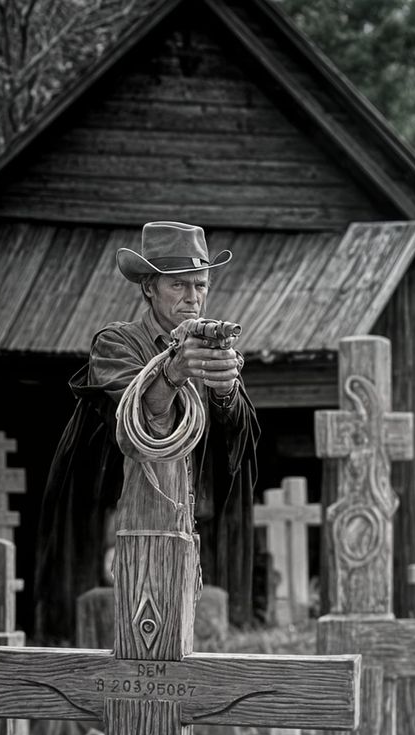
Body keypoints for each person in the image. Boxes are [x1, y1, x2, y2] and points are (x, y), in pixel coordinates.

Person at [35, 220, 260, 644]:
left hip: (192, 526)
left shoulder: (212, 349)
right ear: (148, 288)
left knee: (193, 650)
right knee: (122, 644)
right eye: (178, 285)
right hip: (119, 526)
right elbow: (135, 419)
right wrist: (175, 371)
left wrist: (225, 389)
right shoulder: (116, 344)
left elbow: (236, 444)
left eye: (200, 285)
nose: (193, 297)